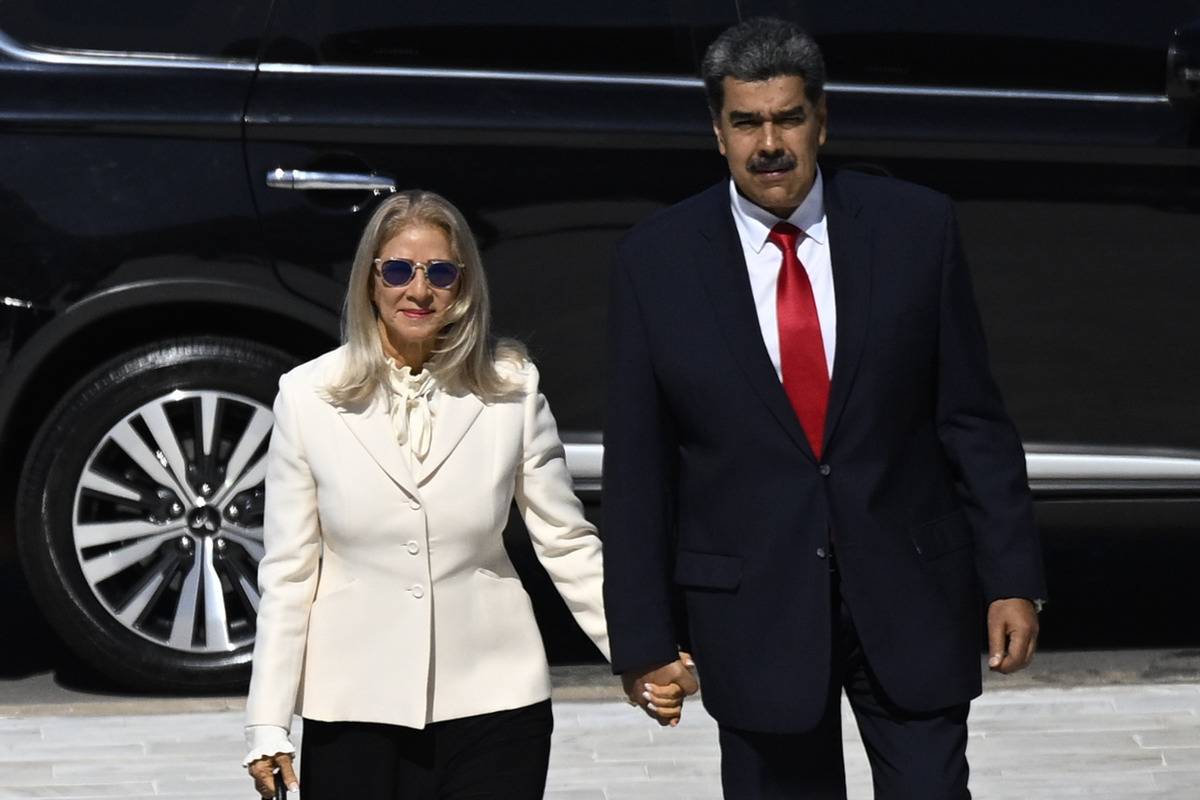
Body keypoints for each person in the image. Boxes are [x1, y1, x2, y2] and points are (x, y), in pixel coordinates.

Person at [602, 18, 1047, 800]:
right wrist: (642, 640)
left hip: (910, 595)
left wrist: (1011, 575)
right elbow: (639, 465)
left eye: (787, 118)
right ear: (717, 130)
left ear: (822, 119)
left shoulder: (916, 229)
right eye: (746, 122)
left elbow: (971, 417)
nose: (768, 142)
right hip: (753, 613)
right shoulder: (656, 261)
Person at [242, 189, 689, 800]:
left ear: (465, 285)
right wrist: (268, 722)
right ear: (370, 281)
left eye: (440, 273)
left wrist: (640, 652)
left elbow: (565, 540)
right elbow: (289, 575)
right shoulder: (306, 395)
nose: (418, 291)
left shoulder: (511, 387)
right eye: (398, 270)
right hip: (352, 706)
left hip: (496, 700)